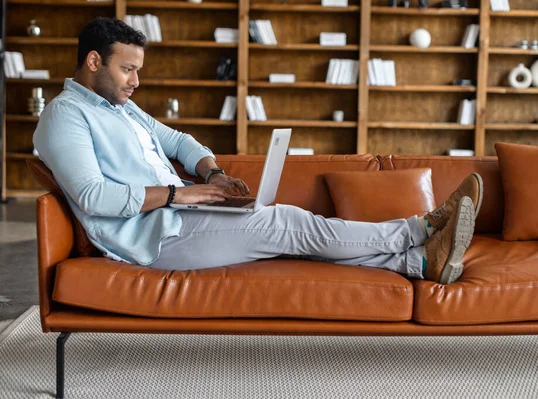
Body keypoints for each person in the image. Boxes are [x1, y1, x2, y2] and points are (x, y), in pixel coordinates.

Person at [33, 17, 483, 285]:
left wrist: (210, 176)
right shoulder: (66, 116)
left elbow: (180, 142)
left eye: (137, 70)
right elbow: (93, 196)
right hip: (154, 240)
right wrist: (178, 195)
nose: (136, 81)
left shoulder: (123, 108)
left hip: (182, 217)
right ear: (94, 62)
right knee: (288, 222)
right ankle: (418, 228)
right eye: (127, 69)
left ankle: (419, 262)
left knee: (294, 233)